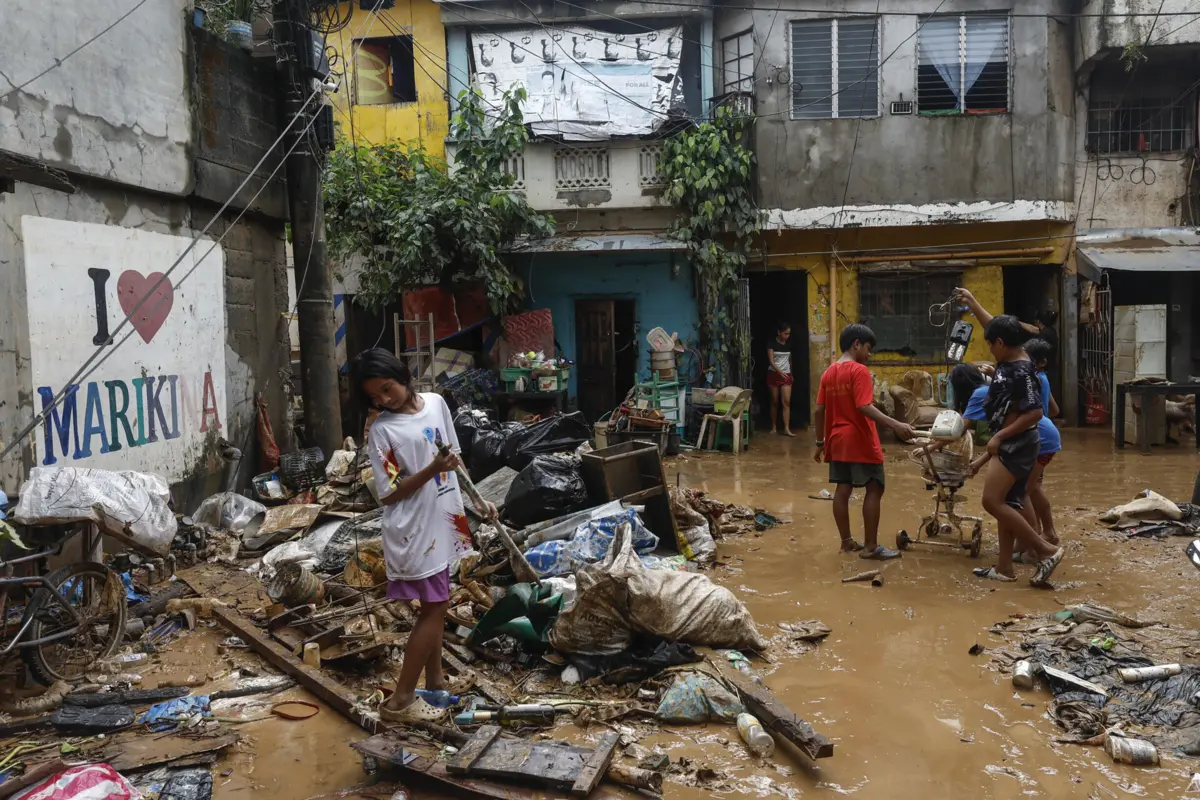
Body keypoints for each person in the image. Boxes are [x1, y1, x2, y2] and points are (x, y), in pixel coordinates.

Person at [353, 348, 495, 723]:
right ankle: (400, 700)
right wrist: (433, 468)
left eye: (387, 389)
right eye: (375, 397)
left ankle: (435, 684)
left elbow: (455, 460)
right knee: (436, 607)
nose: (384, 400)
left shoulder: (436, 404)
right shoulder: (382, 431)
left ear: (402, 375)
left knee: (436, 603)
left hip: (444, 519)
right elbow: (389, 492)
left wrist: (478, 501)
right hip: (414, 529)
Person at [955, 289, 1064, 586]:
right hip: (1013, 441)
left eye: (991, 344)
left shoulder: (1021, 370)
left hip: (1017, 441)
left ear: (1001, 344)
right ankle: (1004, 568)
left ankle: (1045, 550)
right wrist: (972, 301)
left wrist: (999, 436)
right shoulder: (1011, 356)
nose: (990, 349)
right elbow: (994, 326)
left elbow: (1035, 412)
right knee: (1009, 502)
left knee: (991, 501)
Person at [813, 324, 917, 560]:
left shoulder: (828, 373)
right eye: (868, 348)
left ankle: (847, 542)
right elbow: (863, 407)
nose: (869, 354)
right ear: (856, 344)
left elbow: (819, 410)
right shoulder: (859, 371)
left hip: (836, 439)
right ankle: (871, 547)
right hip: (859, 438)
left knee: (842, 489)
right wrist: (896, 425)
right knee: (875, 486)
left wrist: (820, 441)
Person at [1018, 337, 1061, 550]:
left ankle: (1037, 537)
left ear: (1040, 362)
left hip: (1040, 438)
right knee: (1033, 488)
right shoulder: (1042, 378)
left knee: (1026, 489)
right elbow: (1054, 410)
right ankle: (1045, 533)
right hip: (1043, 435)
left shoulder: (1033, 379)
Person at [766, 321, 796, 436]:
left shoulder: (789, 344)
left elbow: (790, 360)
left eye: (789, 334)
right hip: (774, 374)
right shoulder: (771, 343)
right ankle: (773, 426)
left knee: (786, 402)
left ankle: (786, 428)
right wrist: (780, 372)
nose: (787, 336)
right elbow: (771, 361)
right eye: (785, 333)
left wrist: (791, 373)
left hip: (786, 375)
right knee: (774, 401)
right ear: (779, 332)